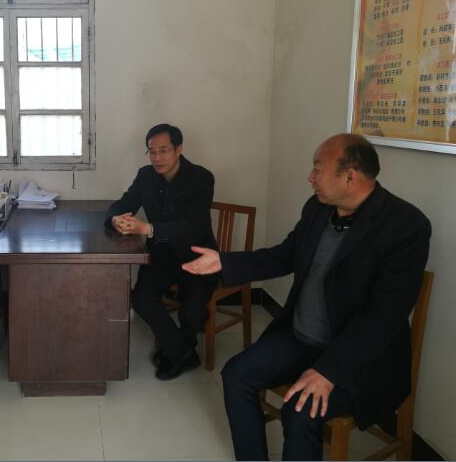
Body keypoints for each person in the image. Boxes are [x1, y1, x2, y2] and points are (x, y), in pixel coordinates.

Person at [182, 134, 431, 460]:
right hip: (301, 339)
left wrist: (329, 371)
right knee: (236, 374)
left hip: (357, 359)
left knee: (300, 412)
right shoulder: (318, 208)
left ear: (349, 176)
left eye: (317, 169)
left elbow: (383, 317)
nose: (310, 178)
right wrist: (225, 262)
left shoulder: (405, 226)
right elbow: (285, 255)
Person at [105, 123, 218, 380]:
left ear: (179, 149)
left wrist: (148, 228)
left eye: (163, 150)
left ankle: (176, 348)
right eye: (152, 152)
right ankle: (183, 354)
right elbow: (124, 203)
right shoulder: (145, 176)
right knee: (141, 299)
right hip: (163, 256)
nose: (157, 158)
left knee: (193, 310)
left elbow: (194, 226)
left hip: (198, 255)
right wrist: (115, 218)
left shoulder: (201, 178)